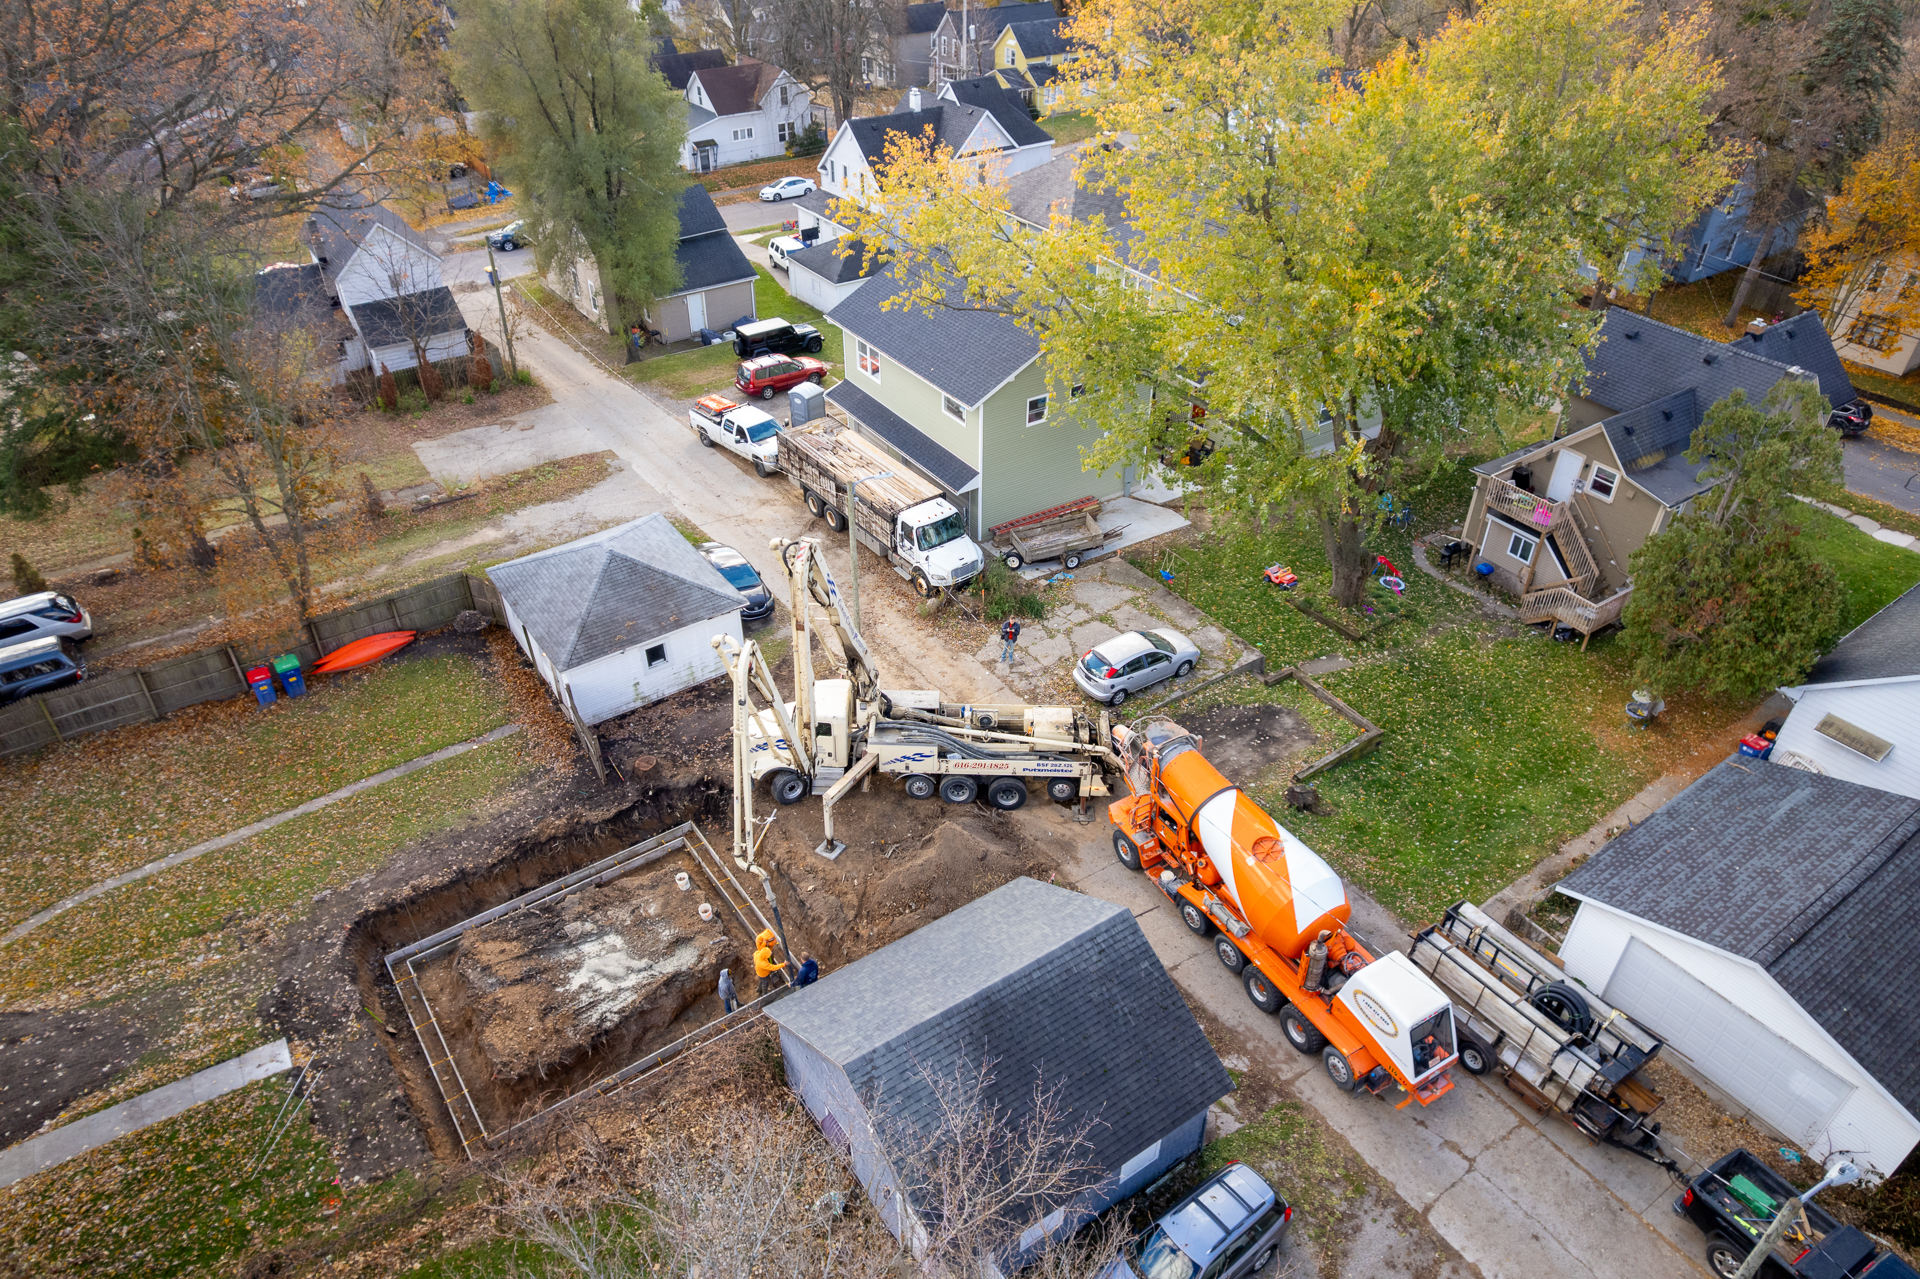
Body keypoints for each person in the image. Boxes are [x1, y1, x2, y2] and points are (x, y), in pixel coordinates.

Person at [754, 928, 784, 995]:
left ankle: (758, 989)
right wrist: (783, 964)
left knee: (761, 981)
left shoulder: (757, 955)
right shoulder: (763, 963)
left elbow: (761, 950)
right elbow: (772, 967)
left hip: (759, 973)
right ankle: (764, 994)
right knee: (765, 983)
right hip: (764, 974)